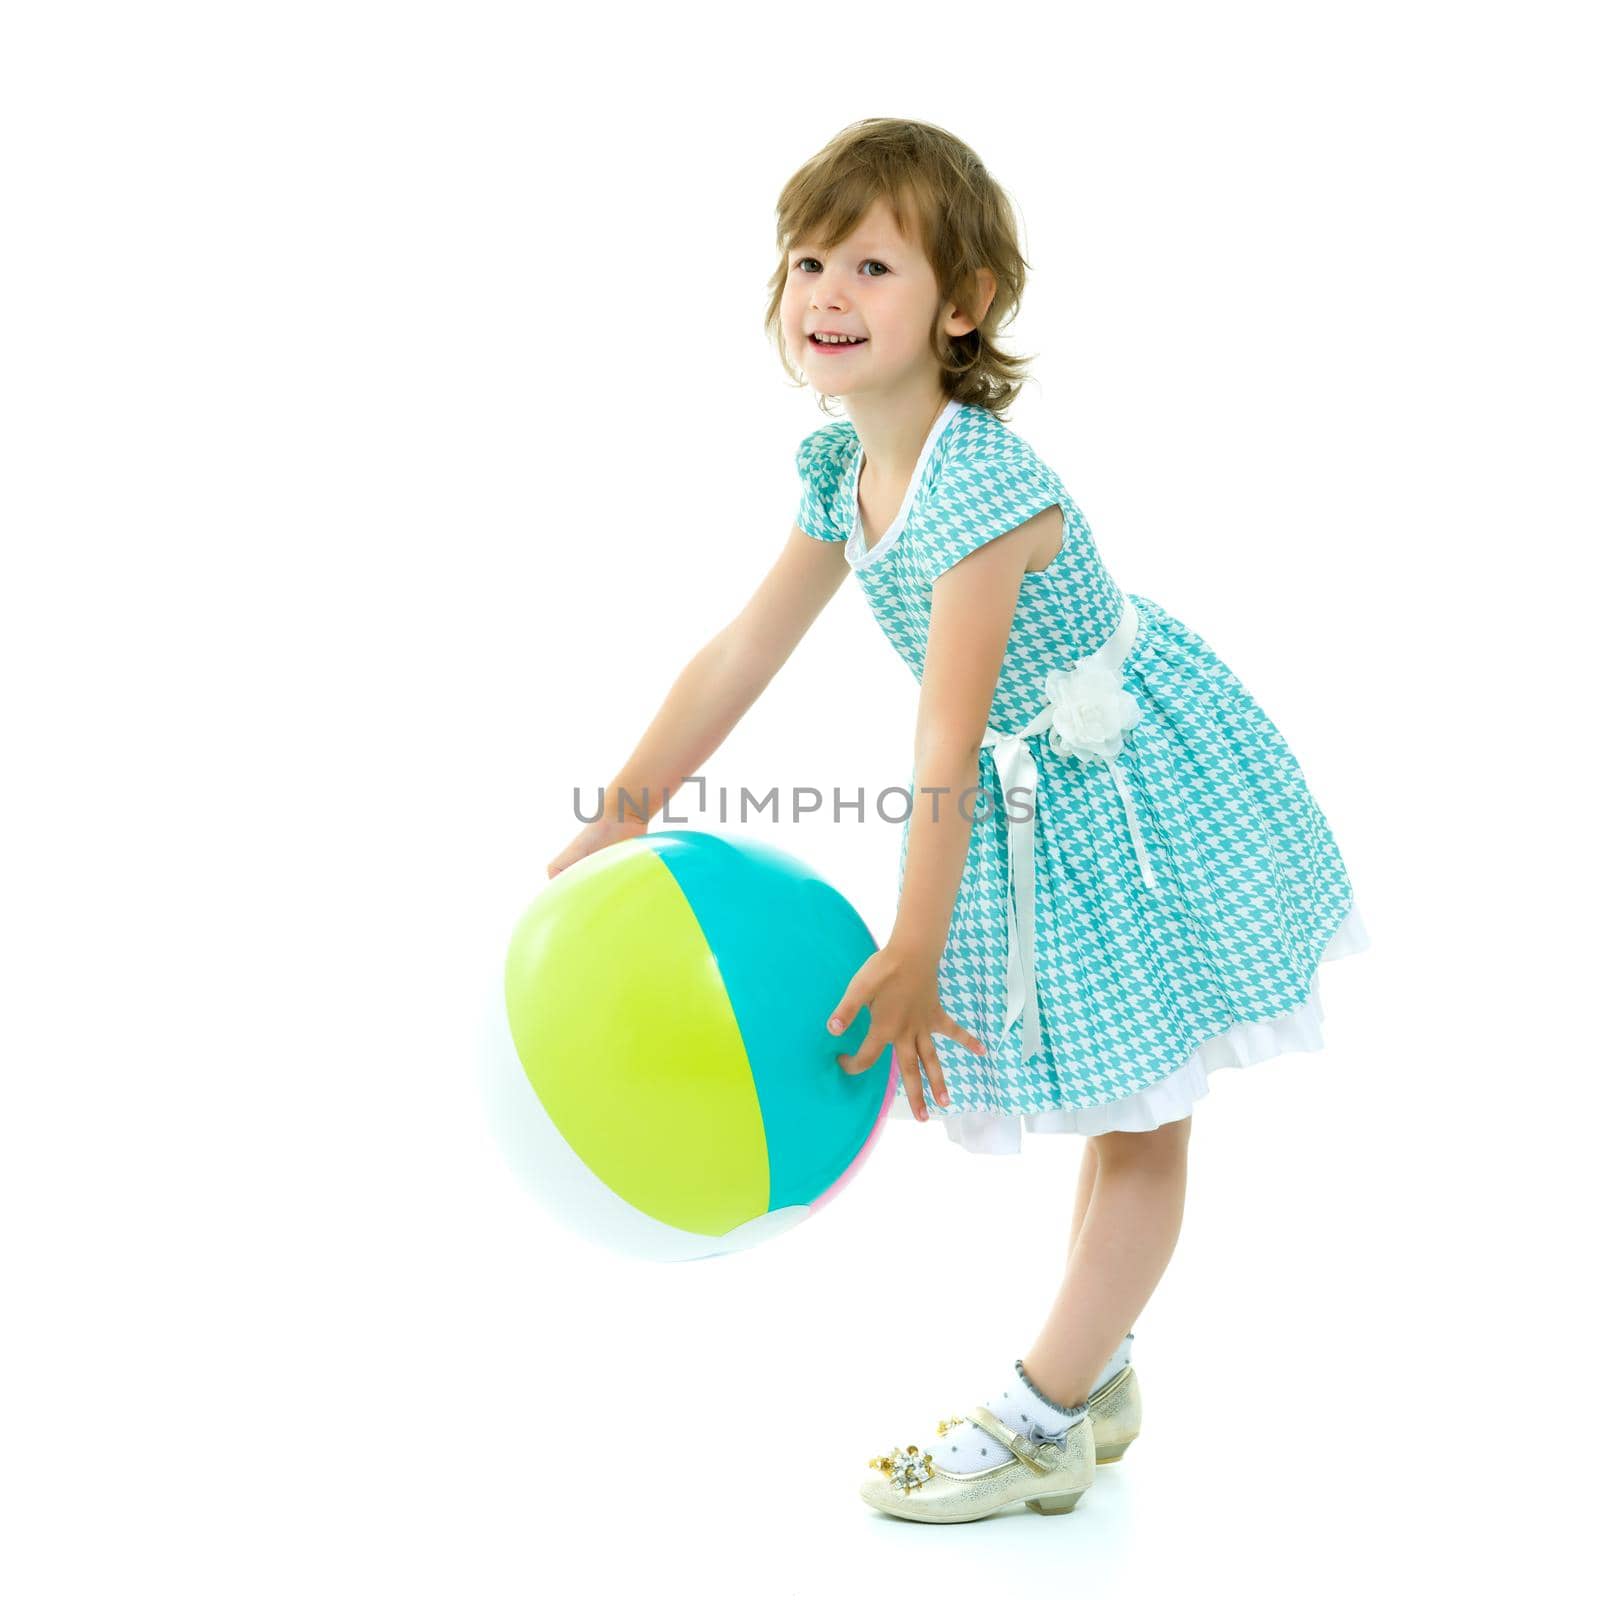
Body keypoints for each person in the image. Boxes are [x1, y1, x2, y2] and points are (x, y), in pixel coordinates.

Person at [545, 117, 1371, 1524]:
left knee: (1148, 1113)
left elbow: (943, 723)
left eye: (873, 264)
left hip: (1131, 792)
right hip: (1036, 794)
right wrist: (625, 806)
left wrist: (919, 940)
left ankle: (1043, 1415)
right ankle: (1091, 1374)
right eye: (810, 261)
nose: (828, 293)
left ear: (963, 308)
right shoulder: (838, 476)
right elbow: (745, 649)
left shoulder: (978, 484)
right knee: (1130, 1105)